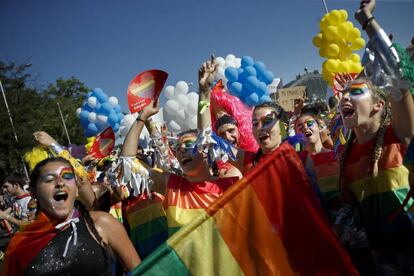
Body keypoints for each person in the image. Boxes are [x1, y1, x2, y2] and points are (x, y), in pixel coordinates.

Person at [335, 1, 414, 273]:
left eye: (355, 92)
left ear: (379, 105)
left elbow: (397, 76)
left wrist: (367, 22)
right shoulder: (346, 158)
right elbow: (348, 213)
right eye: (343, 94)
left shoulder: (400, 134)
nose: (345, 96)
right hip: (382, 264)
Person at [1, 157, 141, 275]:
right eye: (49, 179)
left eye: (67, 177)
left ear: (76, 190)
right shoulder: (21, 246)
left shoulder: (101, 223)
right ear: (34, 192)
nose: (60, 183)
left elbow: (141, 271)